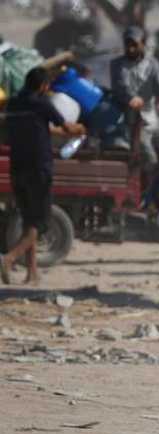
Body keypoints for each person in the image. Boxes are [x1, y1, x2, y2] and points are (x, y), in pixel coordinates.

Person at [1, 68, 85, 285]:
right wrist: (81, 129)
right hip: (38, 167)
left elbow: (40, 126)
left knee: (29, 219)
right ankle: (9, 259)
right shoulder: (41, 103)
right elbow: (65, 126)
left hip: (17, 167)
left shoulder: (13, 104)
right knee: (41, 222)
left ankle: (32, 273)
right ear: (42, 86)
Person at [110, 26, 159, 172]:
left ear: (143, 44)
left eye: (134, 45)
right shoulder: (118, 65)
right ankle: (147, 192)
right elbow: (121, 88)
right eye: (127, 44)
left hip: (154, 120)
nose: (130, 49)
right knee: (150, 160)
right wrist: (131, 98)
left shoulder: (152, 64)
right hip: (133, 124)